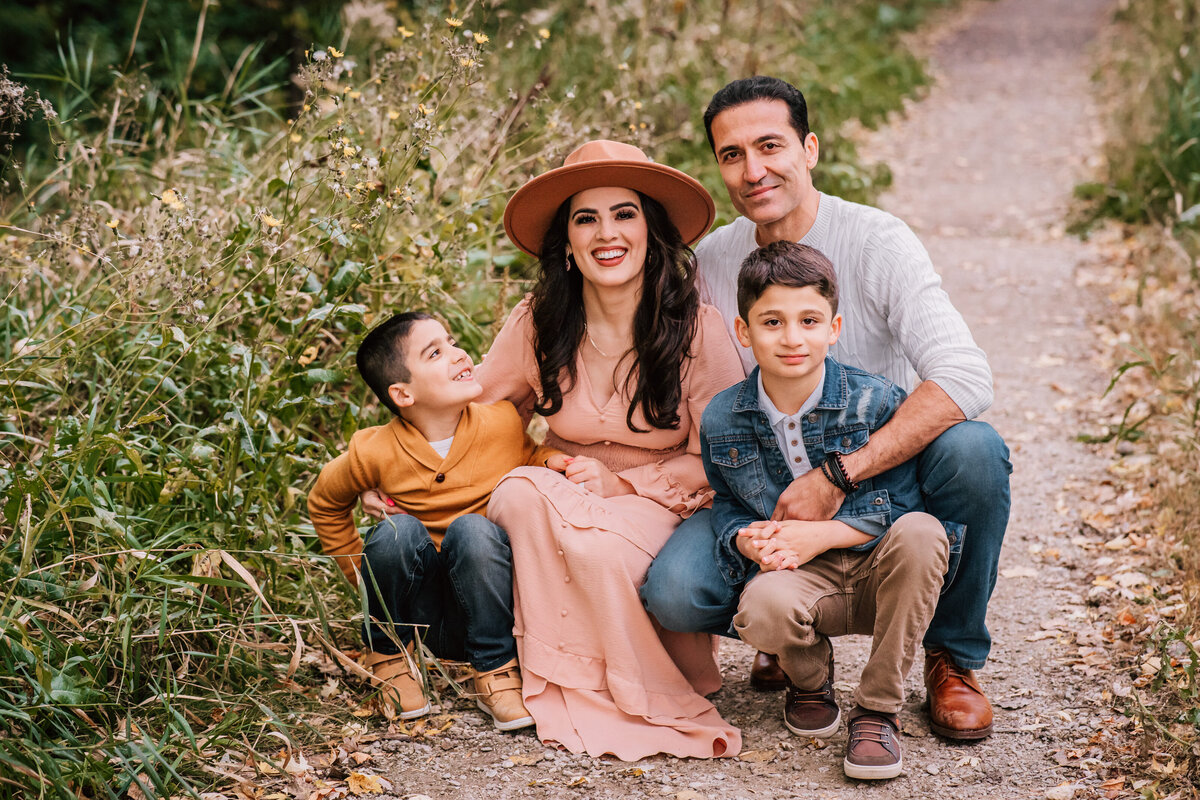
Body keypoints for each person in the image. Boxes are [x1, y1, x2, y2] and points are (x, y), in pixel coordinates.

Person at [641, 75, 1012, 741]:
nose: (753, 171)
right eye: (732, 155)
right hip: (763, 486)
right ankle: (786, 634)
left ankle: (950, 654)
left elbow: (964, 374)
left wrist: (838, 476)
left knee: (974, 450)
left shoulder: (877, 241)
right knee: (676, 589)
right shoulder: (714, 261)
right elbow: (677, 379)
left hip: (879, 472)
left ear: (809, 148)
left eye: (770, 146)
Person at [474, 140, 745, 759]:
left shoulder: (696, 329)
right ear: (566, 244)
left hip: (659, 502)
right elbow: (481, 418)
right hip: (556, 489)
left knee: (592, 545)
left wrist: (620, 485)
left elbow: (723, 458)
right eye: (585, 218)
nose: (606, 233)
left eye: (624, 214)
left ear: (651, 231)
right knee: (519, 492)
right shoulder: (537, 322)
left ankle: (638, 687)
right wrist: (412, 472)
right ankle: (575, 672)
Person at [703, 241, 954, 779]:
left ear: (834, 327)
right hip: (800, 579)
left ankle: (877, 709)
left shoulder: (878, 401)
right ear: (743, 333)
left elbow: (903, 506)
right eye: (772, 321)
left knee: (923, 532)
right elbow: (725, 501)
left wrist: (821, 535)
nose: (792, 338)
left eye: (809, 320)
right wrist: (742, 539)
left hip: (878, 573)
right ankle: (810, 680)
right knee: (762, 605)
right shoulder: (722, 418)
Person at [307, 311, 567, 730]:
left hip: (487, 607)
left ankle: (495, 670)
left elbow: (531, 456)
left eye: (452, 341)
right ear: (403, 394)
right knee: (398, 531)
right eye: (435, 352)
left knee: (473, 529)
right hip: (418, 614)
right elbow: (324, 503)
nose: (458, 354)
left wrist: (556, 462)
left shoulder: (500, 422)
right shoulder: (373, 450)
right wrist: (360, 574)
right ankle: (389, 658)